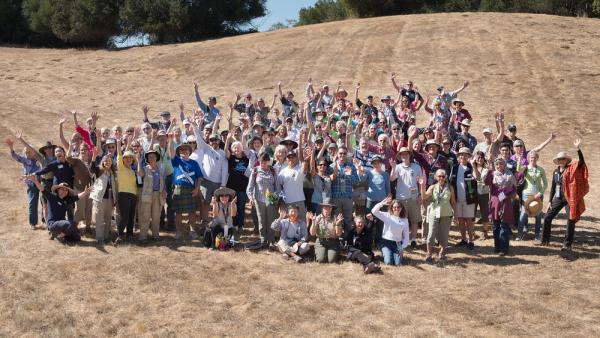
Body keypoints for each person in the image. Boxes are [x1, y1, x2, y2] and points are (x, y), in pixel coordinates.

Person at [541, 139, 588, 250]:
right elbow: (553, 187)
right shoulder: (556, 171)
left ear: (566, 160)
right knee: (547, 217)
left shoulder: (571, 169)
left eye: (563, 159)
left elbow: (581, 162)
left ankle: (567, 244)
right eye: (560, 159)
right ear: (557, 161)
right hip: (558, 197)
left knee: (570, 219)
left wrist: (578, 149)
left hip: (569, 198)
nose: (561, 160)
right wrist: (549, 201)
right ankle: (545, 240)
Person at [25, 175, 92, 243]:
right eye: (62, 189)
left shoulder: (66, 200)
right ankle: (58, 234)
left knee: (77, 237)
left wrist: (85, 192)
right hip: (53, 224)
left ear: (67, 193)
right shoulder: (52, 197)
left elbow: (77, 197)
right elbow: (42, 189)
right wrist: (35, 181)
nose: (64, 191)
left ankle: (60, 235)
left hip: (62, 223)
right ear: (58, 190)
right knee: (72, 223)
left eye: (66, 190)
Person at [168, 131, 203, 240]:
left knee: (192, 213)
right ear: (179, 152)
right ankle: (178, 231)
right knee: (178, 213)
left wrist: (197, 188)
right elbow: (171, 152)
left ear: (189, 151)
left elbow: (199, 177)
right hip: (178, 189)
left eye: (185, 149)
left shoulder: (194, 163)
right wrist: (170, 140)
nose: (183, 151)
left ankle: (192, 231)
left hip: (191, 189)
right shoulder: (176, 161)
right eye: (181, 150)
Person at [390, 147, 424, 247]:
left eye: (406, 154)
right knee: (401, 220)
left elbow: (421, 182)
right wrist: (393, 168)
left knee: (414, 220)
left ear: (409, 155)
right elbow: (392, 179)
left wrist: (421, 195)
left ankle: (413, 240)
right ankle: (401, 239)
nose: (404, 155)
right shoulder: (398, 167)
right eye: (402, 154)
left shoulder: (417, 167)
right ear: (400, 156)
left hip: (414, 197)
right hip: (400, 198)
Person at [6, 133, 41, 230]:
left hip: (42, 184)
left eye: (29, 152)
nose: (27, 154)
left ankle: (45, 220)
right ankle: (33, 223)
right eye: (26, 152)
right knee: (32, 204)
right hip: (32, 185)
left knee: (44, 203)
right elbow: (15, 156)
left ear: (33, 152)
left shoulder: (39, 159)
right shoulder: (25, 160)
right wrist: (11, 147)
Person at [484, 158, 517, 256]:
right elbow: (486, 182)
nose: (499, 166)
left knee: (504, 226)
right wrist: (489, 171)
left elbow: (514, 189)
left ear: (504, 164)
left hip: (506, 203)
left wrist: (508, 193)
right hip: (495, 203)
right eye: (497, 164)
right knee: (495, 226)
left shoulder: (510, 175)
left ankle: (504, 249)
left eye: (501, 164)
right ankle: (497, 247)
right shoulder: (493, 174)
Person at [246, 153, 279, 248]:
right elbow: (250, 187)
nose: (263, 164)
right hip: (259, 199)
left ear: (268, 162)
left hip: (271, 200)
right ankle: (263, 240)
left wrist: (276, 198)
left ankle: (271, 241)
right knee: (261, 221)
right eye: (261, 162)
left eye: (265, 162)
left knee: (271, 220)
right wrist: (251, 197)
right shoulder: (255, 171)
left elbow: (278, 188)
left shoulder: (273, 171)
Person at [423, 169, 456, 262]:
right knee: (431, 234)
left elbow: (453, 202)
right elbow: (424, 196)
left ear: (445, 177)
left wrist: (456, 215)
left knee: (444, 235)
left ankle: (441, 253)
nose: (441, 178)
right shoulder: (433, 187)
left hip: (446, 213)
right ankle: (429, 253)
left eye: (443, 176)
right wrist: (421, 185)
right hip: (434, 213)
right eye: (439, 176)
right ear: (436, 177)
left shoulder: (450, 188)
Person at [449, 147, 478, 249]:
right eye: (461, 155)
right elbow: (450, 181)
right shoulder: (455, 167)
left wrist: (474, 165)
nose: (463, 156)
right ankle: (464, 239)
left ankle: (471, 241)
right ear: (458, 157)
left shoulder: (472, 167)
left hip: (469, 199)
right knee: (460, 220)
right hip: (457, 199)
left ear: (469, 156)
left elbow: (477, 178)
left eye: (465, 155)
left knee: (469, 220)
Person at [516, 150, 547, 241]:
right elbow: (518, 170)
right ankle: (519, 234)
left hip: (537, 195)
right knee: (523, 215)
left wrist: (540, 193)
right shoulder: (525, 168)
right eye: (530, 157)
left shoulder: (541, 169)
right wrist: (520, 160)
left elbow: (545, 184)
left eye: (534, 157)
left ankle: (537, 234)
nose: (532, 159)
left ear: (537, 158)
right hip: (526, 195)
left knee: (538, 215)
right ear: (528, 159)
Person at [137, 150, 167, 243]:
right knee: (145, 216)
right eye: (149, 157)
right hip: (147, 195)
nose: (152, 158)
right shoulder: (145, 169)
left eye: (153, 156)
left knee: (156, 216)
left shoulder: (160, 169)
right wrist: (138, 161)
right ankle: (143, 237)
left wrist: (164, 190)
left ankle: (155, 235)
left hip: (158, 195)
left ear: (156, 158)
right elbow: (140, 174)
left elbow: (163, 182)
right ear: (147, 159)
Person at [371, 196, 410, 266]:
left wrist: (401, 248)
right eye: (394, 207)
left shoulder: (405, 220)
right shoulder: (387, 216)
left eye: (398, 207)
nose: (396, 209)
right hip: (386, 243)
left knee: (398, 264)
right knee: (388, 263)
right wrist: (382, 203)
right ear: (391, 208)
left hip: (398, 244)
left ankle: (394, 255)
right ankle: (385, 252)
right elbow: (374, 211)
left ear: (401, 208)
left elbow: (406, 236)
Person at [115, 136, 138, 243]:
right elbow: (119, 155)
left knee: (131, 217)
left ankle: (129, 236)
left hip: (133, 196)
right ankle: (120, 235)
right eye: (126, 158)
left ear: (132, 160)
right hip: (123, 195)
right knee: (125, 217)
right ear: (123, 160)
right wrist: (119, 144)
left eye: (130, 158)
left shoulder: (133, 171)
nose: (128, 159)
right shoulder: (121, 168)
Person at [90, 155, 117, 244]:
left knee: (108, 219)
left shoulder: (112, 172)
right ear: (103, 162)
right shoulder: (99, 170)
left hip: (110, 198)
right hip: (100, 198)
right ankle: (100, 238)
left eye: (109, 161)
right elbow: (91, 169)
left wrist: (114, 199)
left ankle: (106, 237)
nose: (108, 162)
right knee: (100, 219)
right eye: (106, 161)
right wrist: (94, 157)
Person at [307, 199, 344, 263]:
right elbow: (312, 233)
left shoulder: (336, 218)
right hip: (321, 241)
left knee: (331, 261)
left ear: (331, 209)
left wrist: (337, 224)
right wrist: (313, 222)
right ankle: (323, 253)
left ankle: (332, 253)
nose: (327, 209)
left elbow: (338, 234)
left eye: (329, 207)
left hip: (333, 242)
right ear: (322, 208)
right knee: (321, 260)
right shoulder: (317, 218)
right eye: (325, 207)